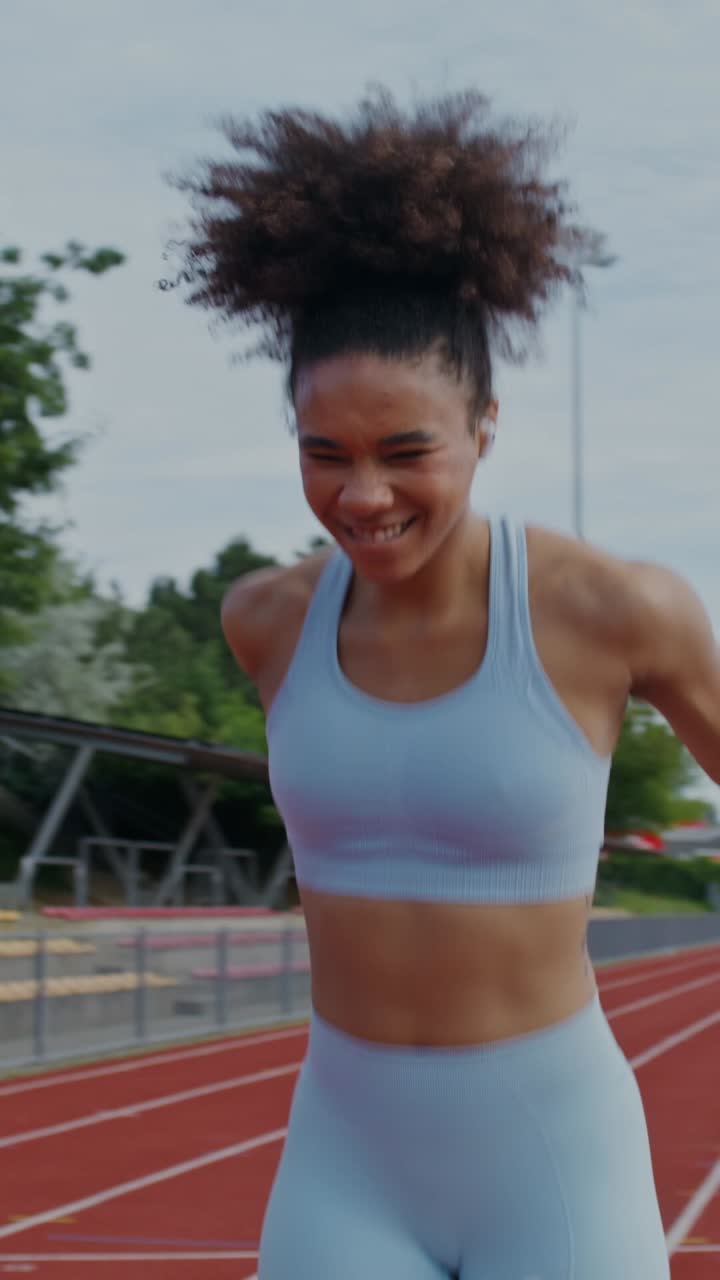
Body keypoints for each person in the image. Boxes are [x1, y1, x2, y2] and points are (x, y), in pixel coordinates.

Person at [166, 89, 720, 1279]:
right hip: (345, 1151)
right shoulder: (265, 621)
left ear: (484, 425)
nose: (363, 495)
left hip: (552, 1156)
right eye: (326, 453)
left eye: (408, 449)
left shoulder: (613, 609)